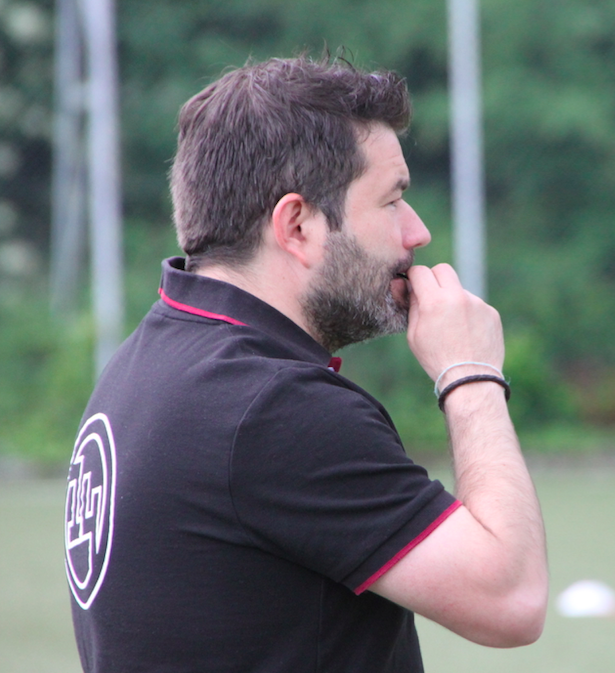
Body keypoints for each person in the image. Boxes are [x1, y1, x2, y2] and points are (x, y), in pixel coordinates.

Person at [64, 55, 548, 673]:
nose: (417, 232)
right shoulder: (273, 407)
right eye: (393, 201)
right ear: (297, 225)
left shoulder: (144, 364)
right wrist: (470, 373)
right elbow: (511, 600)